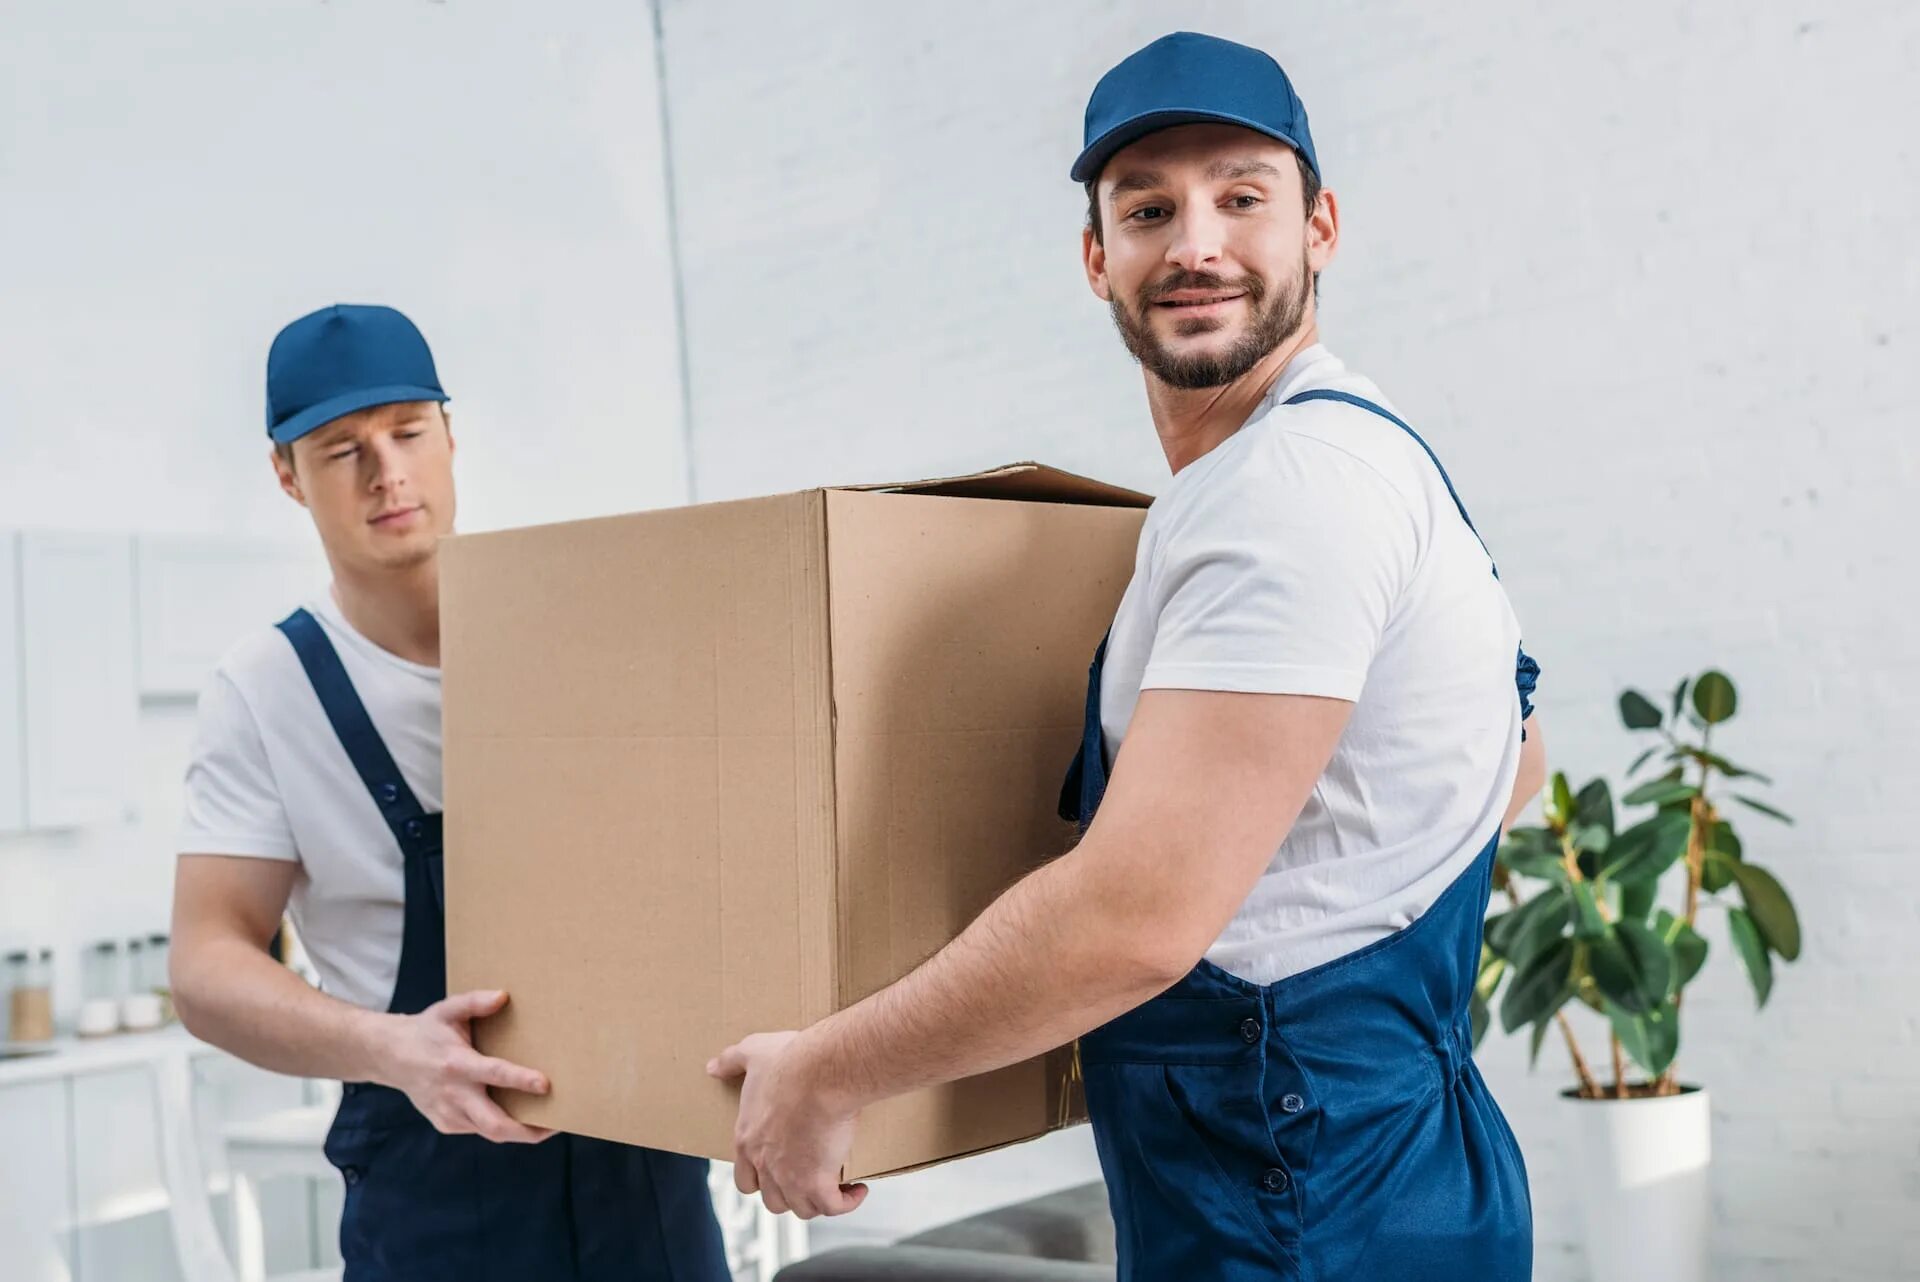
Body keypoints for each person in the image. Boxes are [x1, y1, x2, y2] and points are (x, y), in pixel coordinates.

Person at [708, 32, 1545, 1281]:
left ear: (1320, 227)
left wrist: (825, 1071)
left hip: (1302, 1202)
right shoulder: (1362, 457)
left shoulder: (1288, 490)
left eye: (1240, 197)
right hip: (1385, 1167)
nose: (1195, 241)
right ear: (1099, 258)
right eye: (1150, 208)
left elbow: (1137, 919)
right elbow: (1516, 764)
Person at [170, 303, 730, 1281]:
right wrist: (390, 1048)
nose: (386, 471)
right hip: (431, 1198)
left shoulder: (595, 633)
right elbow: (207, 960)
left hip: (647, 1187)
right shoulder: (265, 691)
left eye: (408, 432)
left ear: (451, 435)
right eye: (341, 448)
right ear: (285, 475)